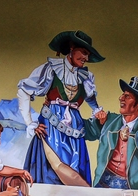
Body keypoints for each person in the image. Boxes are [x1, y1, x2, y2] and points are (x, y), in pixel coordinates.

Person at [17, 30, 105, 186]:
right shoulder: (51, 69)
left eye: (88, 55)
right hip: (51, 128)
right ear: (72, 48)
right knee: (52, 169)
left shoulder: (86, 77)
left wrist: (98, 112)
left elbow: (91, 100)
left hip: (75, 130)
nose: (86, 58)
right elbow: (24, 90)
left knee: (76, 167)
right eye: (83, 52)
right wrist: (30, 123)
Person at [84, 77, 138, 189]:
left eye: (127, 96)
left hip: (127, 189)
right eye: (123, 94)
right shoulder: (108, 120)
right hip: (101, 183)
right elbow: (85, 131)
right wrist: (96, 121)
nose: (121, 98)